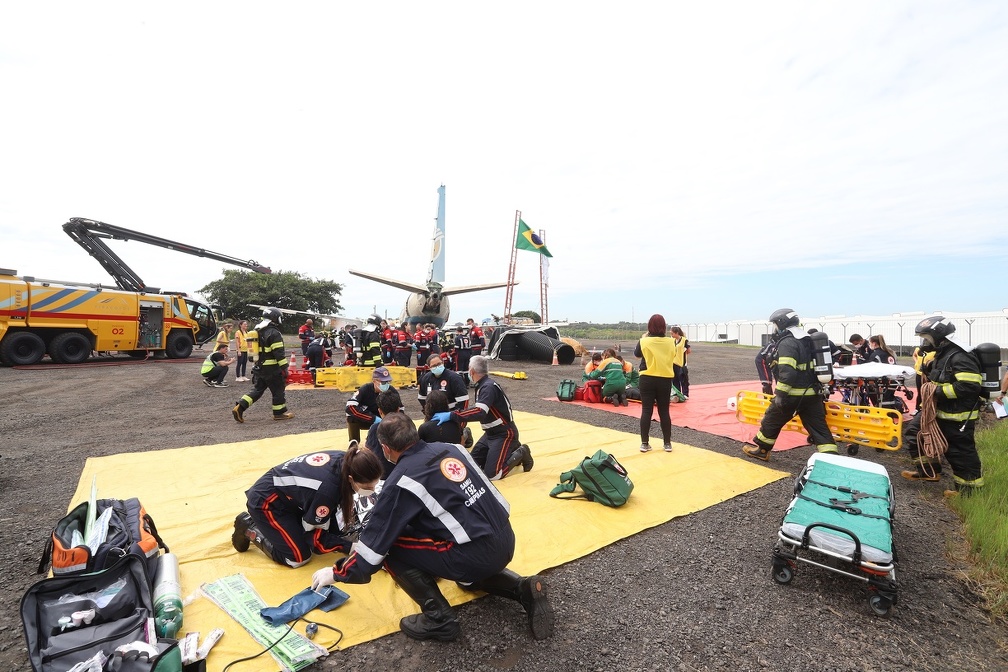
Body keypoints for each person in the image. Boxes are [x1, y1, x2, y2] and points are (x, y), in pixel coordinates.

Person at [310, 412, 554, 642]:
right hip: (504, 538)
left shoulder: (402, 480)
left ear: (385, 448)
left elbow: (374, 547)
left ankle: (439, 619)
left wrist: (336, 573)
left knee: (391, 548)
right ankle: (521, 587)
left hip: (475, 556)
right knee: (466, 570)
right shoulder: (454, 449)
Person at [231, 442, 384, 567]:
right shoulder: (327, 492)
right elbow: (314, 537)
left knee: (335, 532)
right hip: (267, 502)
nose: (370, 491)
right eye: (367, 488)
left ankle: (291, 526)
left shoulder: (350, 460)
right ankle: (250, 527)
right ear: (351, 479)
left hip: (290, 497)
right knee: (298, 557)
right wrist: (350, 547)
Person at [900, 316, 984, 497]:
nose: (924, 342)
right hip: (937, 411)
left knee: (959, 451)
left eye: (927, 338)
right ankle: (929, 471)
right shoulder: (942, 354)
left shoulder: (960, 355)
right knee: (915, 433)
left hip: (957, 415)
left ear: (938, 336)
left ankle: (969, 491)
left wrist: (934, 392)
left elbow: (969, 386)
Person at [742, 309, 837, 462]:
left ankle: (762, 450)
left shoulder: (788, 342)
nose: (774, 328)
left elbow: (788, 372)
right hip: (813, 394)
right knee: (819, 428)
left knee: (771, 420)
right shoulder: (808, 340)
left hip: (793, 395)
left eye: (775, 324)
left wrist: (780, 395)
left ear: (781, 324)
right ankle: (831, 458)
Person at [434, 355, 532, 479]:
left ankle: (521, 452)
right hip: (489, 434)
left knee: (493, 475)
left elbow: (480, 412)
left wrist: (452, 415)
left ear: (472, 371)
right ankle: (506, 452)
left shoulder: (487, 387)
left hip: (504, 433)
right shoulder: (482, 385)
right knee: (471, 466)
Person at [232, 307, 294, 422]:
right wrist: (285, 368)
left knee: (257, 390)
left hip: (259, 367)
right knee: (278, 390)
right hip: (272, 369)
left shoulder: (256, 331)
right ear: (275, 318)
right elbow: (278, 353)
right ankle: (279, 413)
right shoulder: (274, 333)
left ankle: (240, 407)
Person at [634, 314, 677, 453]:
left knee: (646, 410)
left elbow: (637, 354)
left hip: (647, 378)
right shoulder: (671, 341)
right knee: (664, 411)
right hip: (664, 378)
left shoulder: (643, 341)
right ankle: (667, 444)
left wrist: (646, 338)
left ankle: (644, 443)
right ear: (664, 327)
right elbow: (673, 355)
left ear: (649, 326)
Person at [364, 387, 407, 478]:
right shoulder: (407, 426)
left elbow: (368, 452)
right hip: (406, 473)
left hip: (383, 476)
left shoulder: (375, 428)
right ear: (398, 409)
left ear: (380, 411)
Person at [346, 366, 395, 443]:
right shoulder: (365, 389)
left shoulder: (392, 390)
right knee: (351, 416)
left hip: (387, 421)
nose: (386, 384)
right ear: (374, 381)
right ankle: (354, 442)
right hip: (367, 418)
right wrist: (373, 418)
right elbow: (350, 407)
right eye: (383, 382)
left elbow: (400, 409)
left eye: (387, 382)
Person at [670, 325, 691, 400]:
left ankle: (685, 394)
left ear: (677, 333)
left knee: (683, 379)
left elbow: (688, 350)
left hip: (681, 363)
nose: (671, 335)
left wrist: (683, 354)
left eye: (672, 333)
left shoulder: (684, 340)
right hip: (673, 363)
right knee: (675, 379)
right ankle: (678, 393)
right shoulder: (672, 341)